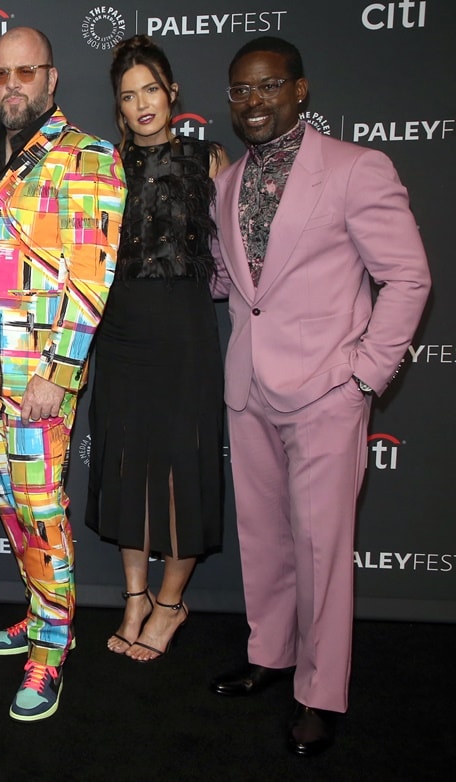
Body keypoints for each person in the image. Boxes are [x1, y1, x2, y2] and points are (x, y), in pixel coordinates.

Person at [209, 36, 430, 756]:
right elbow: (233, 281)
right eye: (241, 91)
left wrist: (365, 374)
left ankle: (319, 692)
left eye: (268, 86)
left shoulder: (356, 168)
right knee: (263, 539)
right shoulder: (227, 180)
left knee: (321, 547)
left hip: (327, 392)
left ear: (300, 90)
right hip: (248, 387)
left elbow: (408, 276)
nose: (253, 102)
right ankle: (270, 655)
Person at [0, 26, 126, 721]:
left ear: (52, 79)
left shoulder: (90, 157)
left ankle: (52, 650)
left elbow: (92, 277)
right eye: (1, 74)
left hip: (37, 384)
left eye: (26, 72)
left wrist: (58, 372)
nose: (12, 85)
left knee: (43, 514)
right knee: (15, 513)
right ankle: (38, 610)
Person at [85, 35, 229, 663]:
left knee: (182, 464)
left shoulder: (211, 160)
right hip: (118, 332)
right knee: (126, 464)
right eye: (128, 96)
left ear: (172, 92)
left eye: (151, 89)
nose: (141, 103)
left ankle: (172, 603)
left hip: (185, 330)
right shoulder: (101, 167)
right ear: (118, 110)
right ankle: (135, 596)